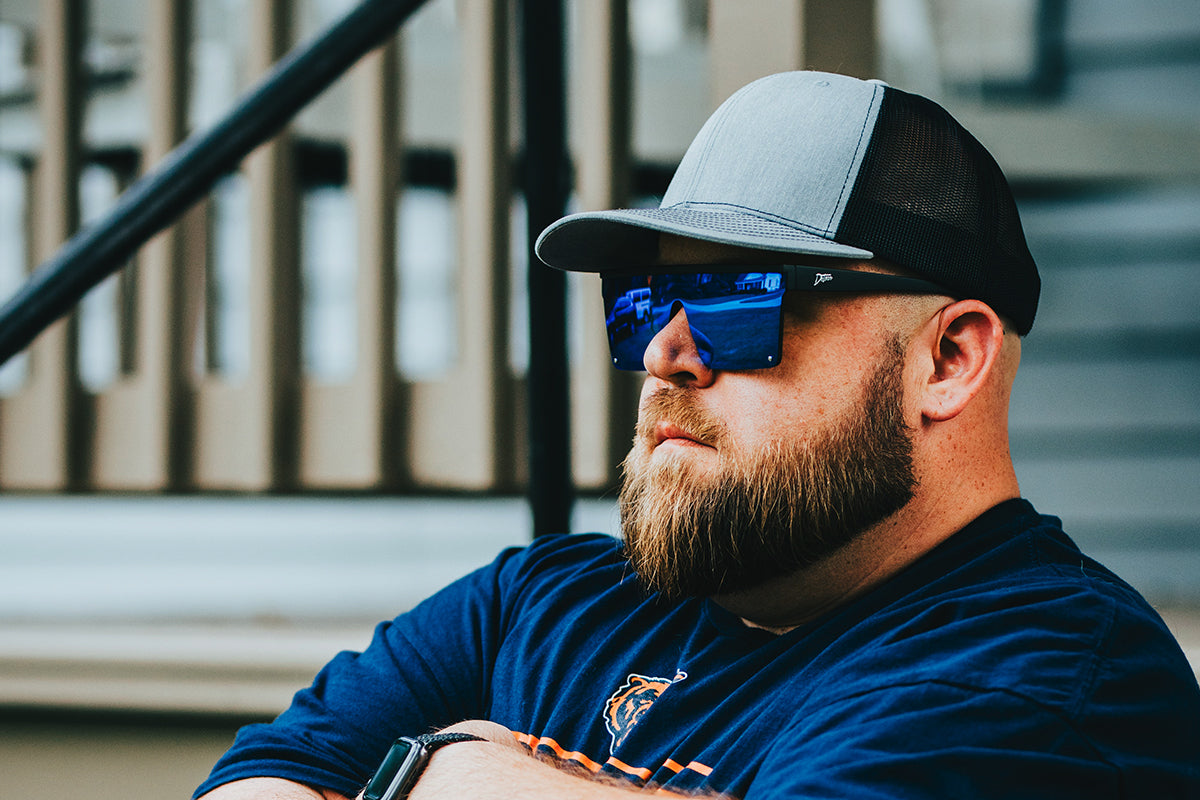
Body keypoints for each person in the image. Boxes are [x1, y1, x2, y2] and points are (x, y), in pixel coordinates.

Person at [195, 71, 1200, 800]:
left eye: (735, 298)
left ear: (949, 361)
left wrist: (456, 771)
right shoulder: (541, 602)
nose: (666, 352)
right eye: (646, 299)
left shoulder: (1055, 674)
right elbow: (259, 779)